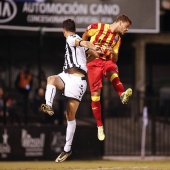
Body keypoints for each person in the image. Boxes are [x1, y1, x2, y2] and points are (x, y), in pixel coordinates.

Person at [40, 19, 103, 163]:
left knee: (70, 115)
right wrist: (88, 56)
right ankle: (48, 105)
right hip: (66, 75)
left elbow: (84, 43)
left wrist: (92, 45)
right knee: (51, 79)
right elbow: (95, 54)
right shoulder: (77, 39)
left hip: (77, 81)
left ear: (64, 30)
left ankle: (67, 149)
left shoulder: (71, 38)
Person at [82, 14, 133, 141]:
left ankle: (122, 95)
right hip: (93, 63)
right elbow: (85, 36)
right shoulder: (97, 27)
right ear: (120, 22)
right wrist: (85, 50)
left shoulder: (117, 39)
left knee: (112, 69)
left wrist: (113, 52)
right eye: (126, 27)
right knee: (95, 95)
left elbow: (115, 59)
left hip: (106, 62)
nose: (126, 30)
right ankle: (100, 126)